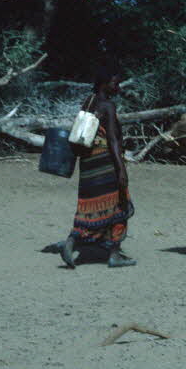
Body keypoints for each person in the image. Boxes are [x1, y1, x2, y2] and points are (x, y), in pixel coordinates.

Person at [61, 67, 135, 269]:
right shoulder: (108, 106)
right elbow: (112, 139)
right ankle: (114, 254)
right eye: (115, 83)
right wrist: (121, 169)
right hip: (105, 162)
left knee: (89, 206)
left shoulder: (89, 101)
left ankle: (72, 241)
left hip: (88, 162)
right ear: (104, 84)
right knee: (120, 206)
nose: (118, 88)